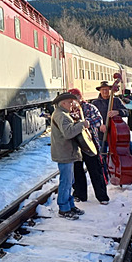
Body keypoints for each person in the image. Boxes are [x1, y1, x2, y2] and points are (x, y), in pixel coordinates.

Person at [91, 81, 132, 178]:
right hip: (102, 135)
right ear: (99, 90)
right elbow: (91, 118)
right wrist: (99, 125)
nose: (105, 92)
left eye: (107, 89)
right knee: (102, 156)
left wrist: (117, 112)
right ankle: (104, 176)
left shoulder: (116, 100)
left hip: (117, 134)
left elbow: (126, 112)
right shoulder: (95, 103)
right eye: (103, 90)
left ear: (110, 90)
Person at [69, 88, 110, 205]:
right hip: (75, 145)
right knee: (77, 171)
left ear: (80, 97)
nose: (73, 101)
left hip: (90, 143)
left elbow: (98, 120)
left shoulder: (90, 107)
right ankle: (80, 195)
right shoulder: (68, 110)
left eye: (75, 98)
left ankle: (102, 196)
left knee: (96, 170)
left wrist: (84, 123)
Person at [51, 92, 87, 220]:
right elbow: (68, 133)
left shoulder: (62, 114)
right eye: (70, 102)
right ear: (63, 103)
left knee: (70, 181)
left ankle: (70, 205)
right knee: (66, 182)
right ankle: (64, 208)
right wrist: (82, 125)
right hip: (64, 153)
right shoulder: (61, 115)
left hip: (67, 152)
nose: (72, 104)